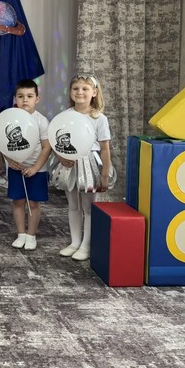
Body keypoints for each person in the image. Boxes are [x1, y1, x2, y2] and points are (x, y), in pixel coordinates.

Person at [50, 74, 115, 261]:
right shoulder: (65, 116)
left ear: (94, 92)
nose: (80, 92)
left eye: (85, 89)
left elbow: (105, 148)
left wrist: (104, 174)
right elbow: (55, 142)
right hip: (70, 165)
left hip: (90, 165)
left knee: (88, 207)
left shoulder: (99, 118)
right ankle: (75, 242)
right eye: (76, 88)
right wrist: (61, 157)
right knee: (73, 205)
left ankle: (86, 245)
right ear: (70, 92)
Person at [2, 79, 51, 251]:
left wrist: (36, 168)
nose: (25, 100)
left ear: (37, 99)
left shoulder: (41, 121)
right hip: (16, 168)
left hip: (37, 169)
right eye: (21, 96)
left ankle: (31, 235)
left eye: (29, 96)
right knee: (18, 202)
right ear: (15, 98)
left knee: (34, 203)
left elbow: (46, 147)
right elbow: (1, 143)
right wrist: (9, 160)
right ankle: (21, 234)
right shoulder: (9, 119)